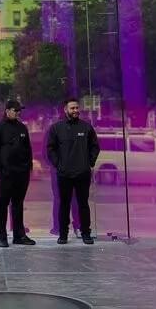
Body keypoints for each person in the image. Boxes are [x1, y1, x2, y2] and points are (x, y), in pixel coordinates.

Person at [46, 98, 100, 245]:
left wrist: (89, 162)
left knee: (83, 204)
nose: (75, 110)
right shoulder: (56, 128)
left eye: (77, 108)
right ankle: (63, 234)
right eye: (72, 108)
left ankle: (85, 233)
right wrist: (58, 165)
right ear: (66, 110)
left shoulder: (86, 127)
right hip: (64, 174)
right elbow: (50, 149)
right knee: (64, 205)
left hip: (82, 173)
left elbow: (95, 147)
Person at [0, 99, 35, 247]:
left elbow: (28, 149)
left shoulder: (22, 128)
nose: (18, 113)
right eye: (15, 110)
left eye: (19, 110)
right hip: (6, 174)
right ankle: (2, 237)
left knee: (18, 205)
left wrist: (28, 167)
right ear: (7, 111)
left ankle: (19, 235)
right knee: (2, 205)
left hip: (22, 173)